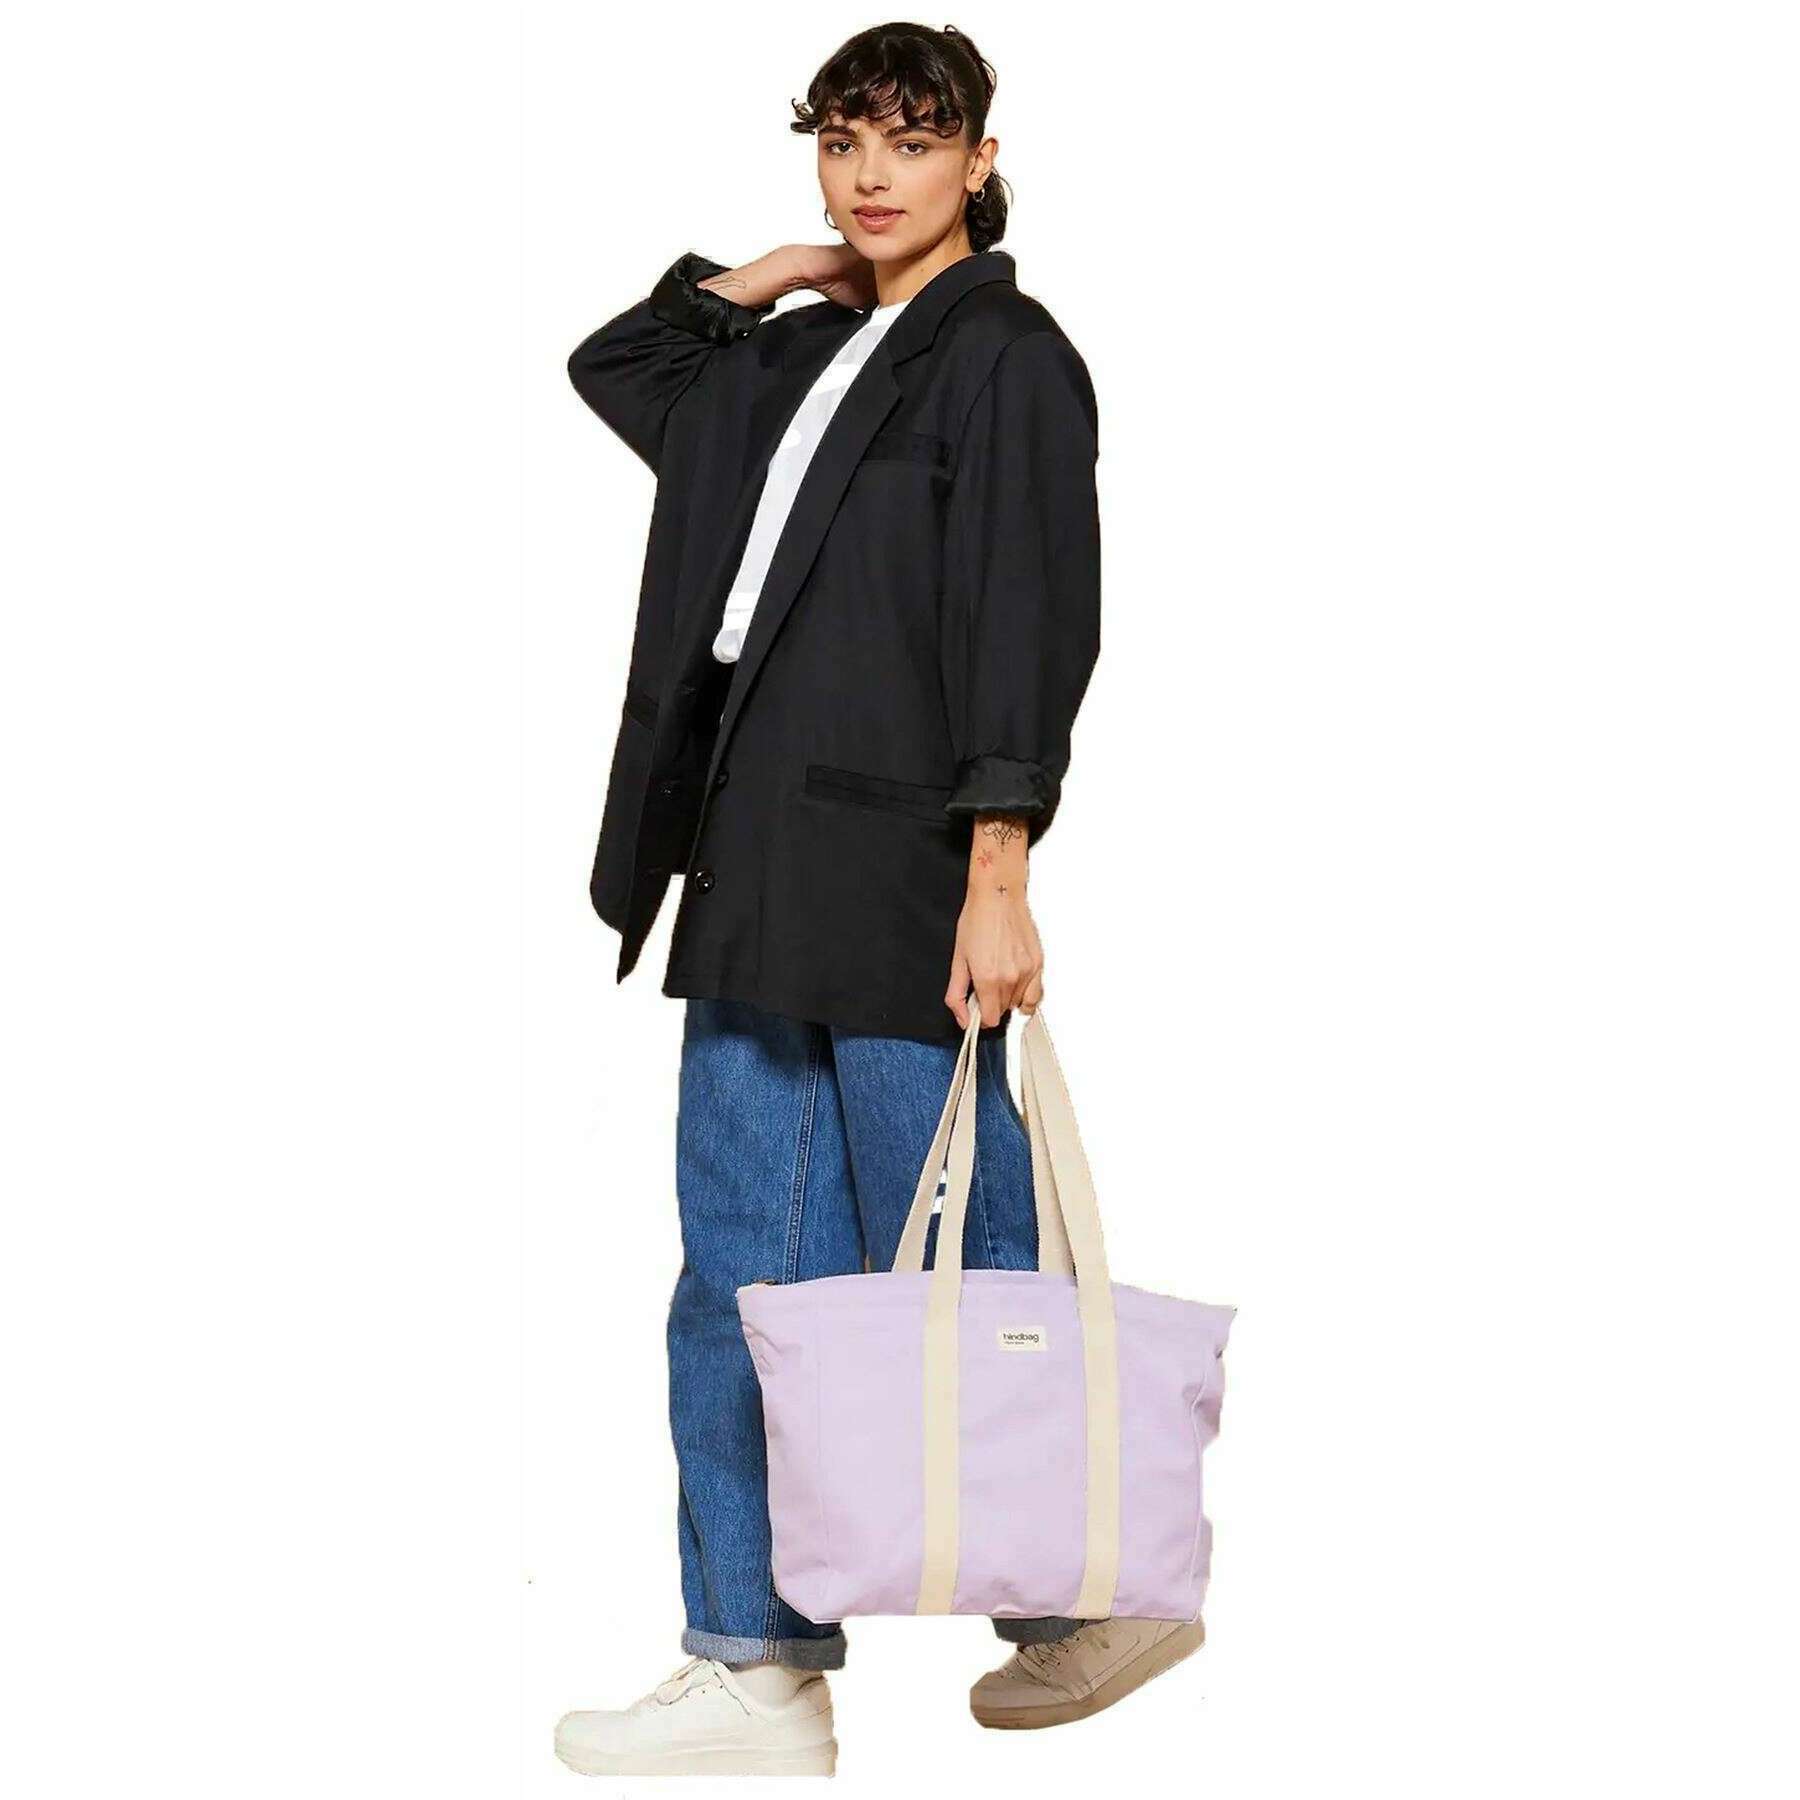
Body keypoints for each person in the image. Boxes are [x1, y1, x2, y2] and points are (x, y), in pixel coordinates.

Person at [553, 22, 1201, 1777]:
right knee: (741, 1277)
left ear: (981, 158)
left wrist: (1001, 874)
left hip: (905, 880)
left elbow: (1027, 622)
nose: (871, 175)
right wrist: (781, 274)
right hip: (751, 869)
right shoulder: (805, 354)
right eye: (843, 142)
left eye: (911, 142)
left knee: (973, 1270)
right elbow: (623, 365)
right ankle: (757, 1664)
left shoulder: (1005, 359)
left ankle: (1088, 1599)